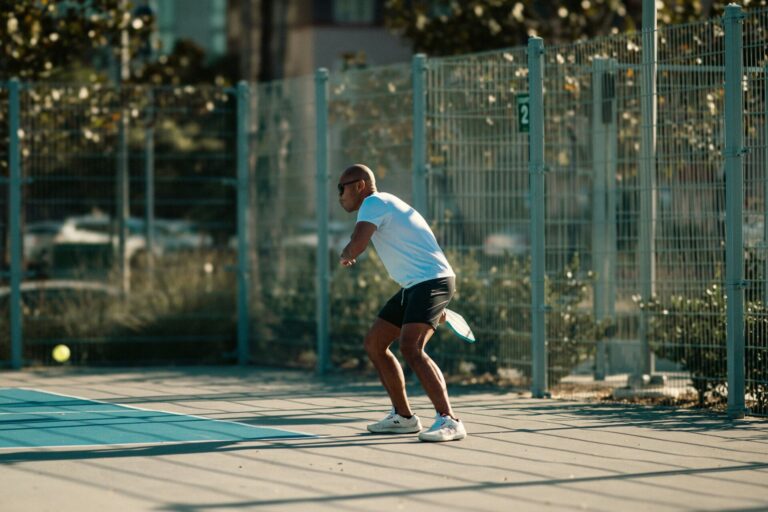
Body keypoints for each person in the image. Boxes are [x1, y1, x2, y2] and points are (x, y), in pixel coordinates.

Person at [337, 163, 466, 442]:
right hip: (414, 286)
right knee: (375, 343)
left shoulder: (373, 202)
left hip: (432, 282)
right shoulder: (384, 203)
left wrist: (347, 253)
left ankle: (450, 420)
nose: (340, 196)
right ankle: (404, 417)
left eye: (341, 188)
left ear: (359, 185)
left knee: (411, 347)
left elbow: (358, 243)